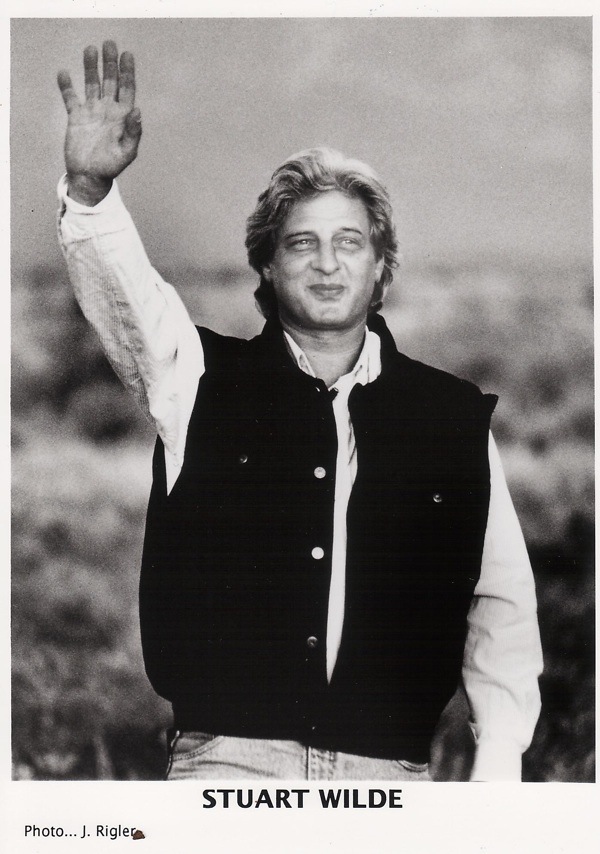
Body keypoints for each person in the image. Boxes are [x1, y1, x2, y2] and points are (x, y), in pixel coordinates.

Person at [57, 41, 543, 782]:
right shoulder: (198, 380)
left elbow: (500, 597)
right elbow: (129, 303)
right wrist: (91, 192)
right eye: (301, 243)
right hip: (229, 766)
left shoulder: (449, 417)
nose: (326, 262)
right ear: (267, 263)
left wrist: (501, 755)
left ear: (381, 265)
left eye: (349, 242)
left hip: (388, 777)